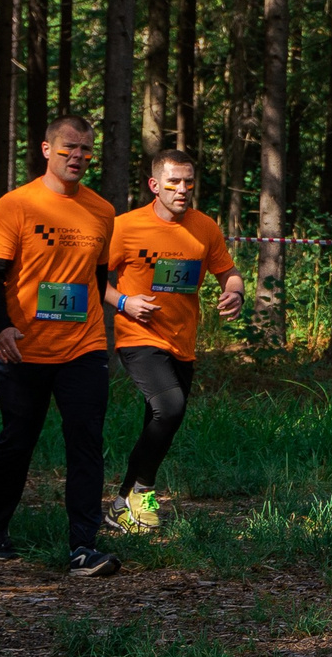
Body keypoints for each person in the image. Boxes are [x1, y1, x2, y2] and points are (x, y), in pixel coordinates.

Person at [0, 114, 120, 577]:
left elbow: (98, 276)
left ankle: (84, 546)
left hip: (84, 345)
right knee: (17, 441)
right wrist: (1, 328)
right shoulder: (16, 205)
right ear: (46, 149)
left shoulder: (101, 210)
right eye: (68, 149)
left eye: (85, 150)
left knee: (86, 442)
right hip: (24, 349)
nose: (77, 157)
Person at [103, 148, 244, 535]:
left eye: (187, 183)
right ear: (154, 185)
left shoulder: (204, 227)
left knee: (162, 418)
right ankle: (144, 492)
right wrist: (125, 302)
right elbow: (92, 276)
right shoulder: (126, 227)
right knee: (170, 407)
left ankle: (122, 502)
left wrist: (235, 292)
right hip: (138, 335)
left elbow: (228, 271)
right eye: (173, 183)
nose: (182, 190)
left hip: (182, 339)